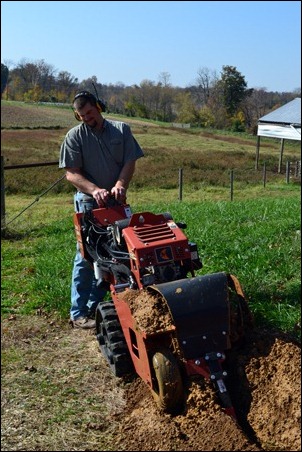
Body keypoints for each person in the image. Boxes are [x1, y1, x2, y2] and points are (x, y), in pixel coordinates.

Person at [59, 90, 144, 329]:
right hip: (89, 202)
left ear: (99, 107)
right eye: (81, 115)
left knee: (117, 253)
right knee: (87, 256)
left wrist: (120, 184)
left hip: (117, 201)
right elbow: (71, 173)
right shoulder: (74, 137)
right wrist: (94, 190)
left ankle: (96, 305)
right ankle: (78, 313)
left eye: (89, 113)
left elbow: (130, 161)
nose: (87, 118)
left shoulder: (121, 130)